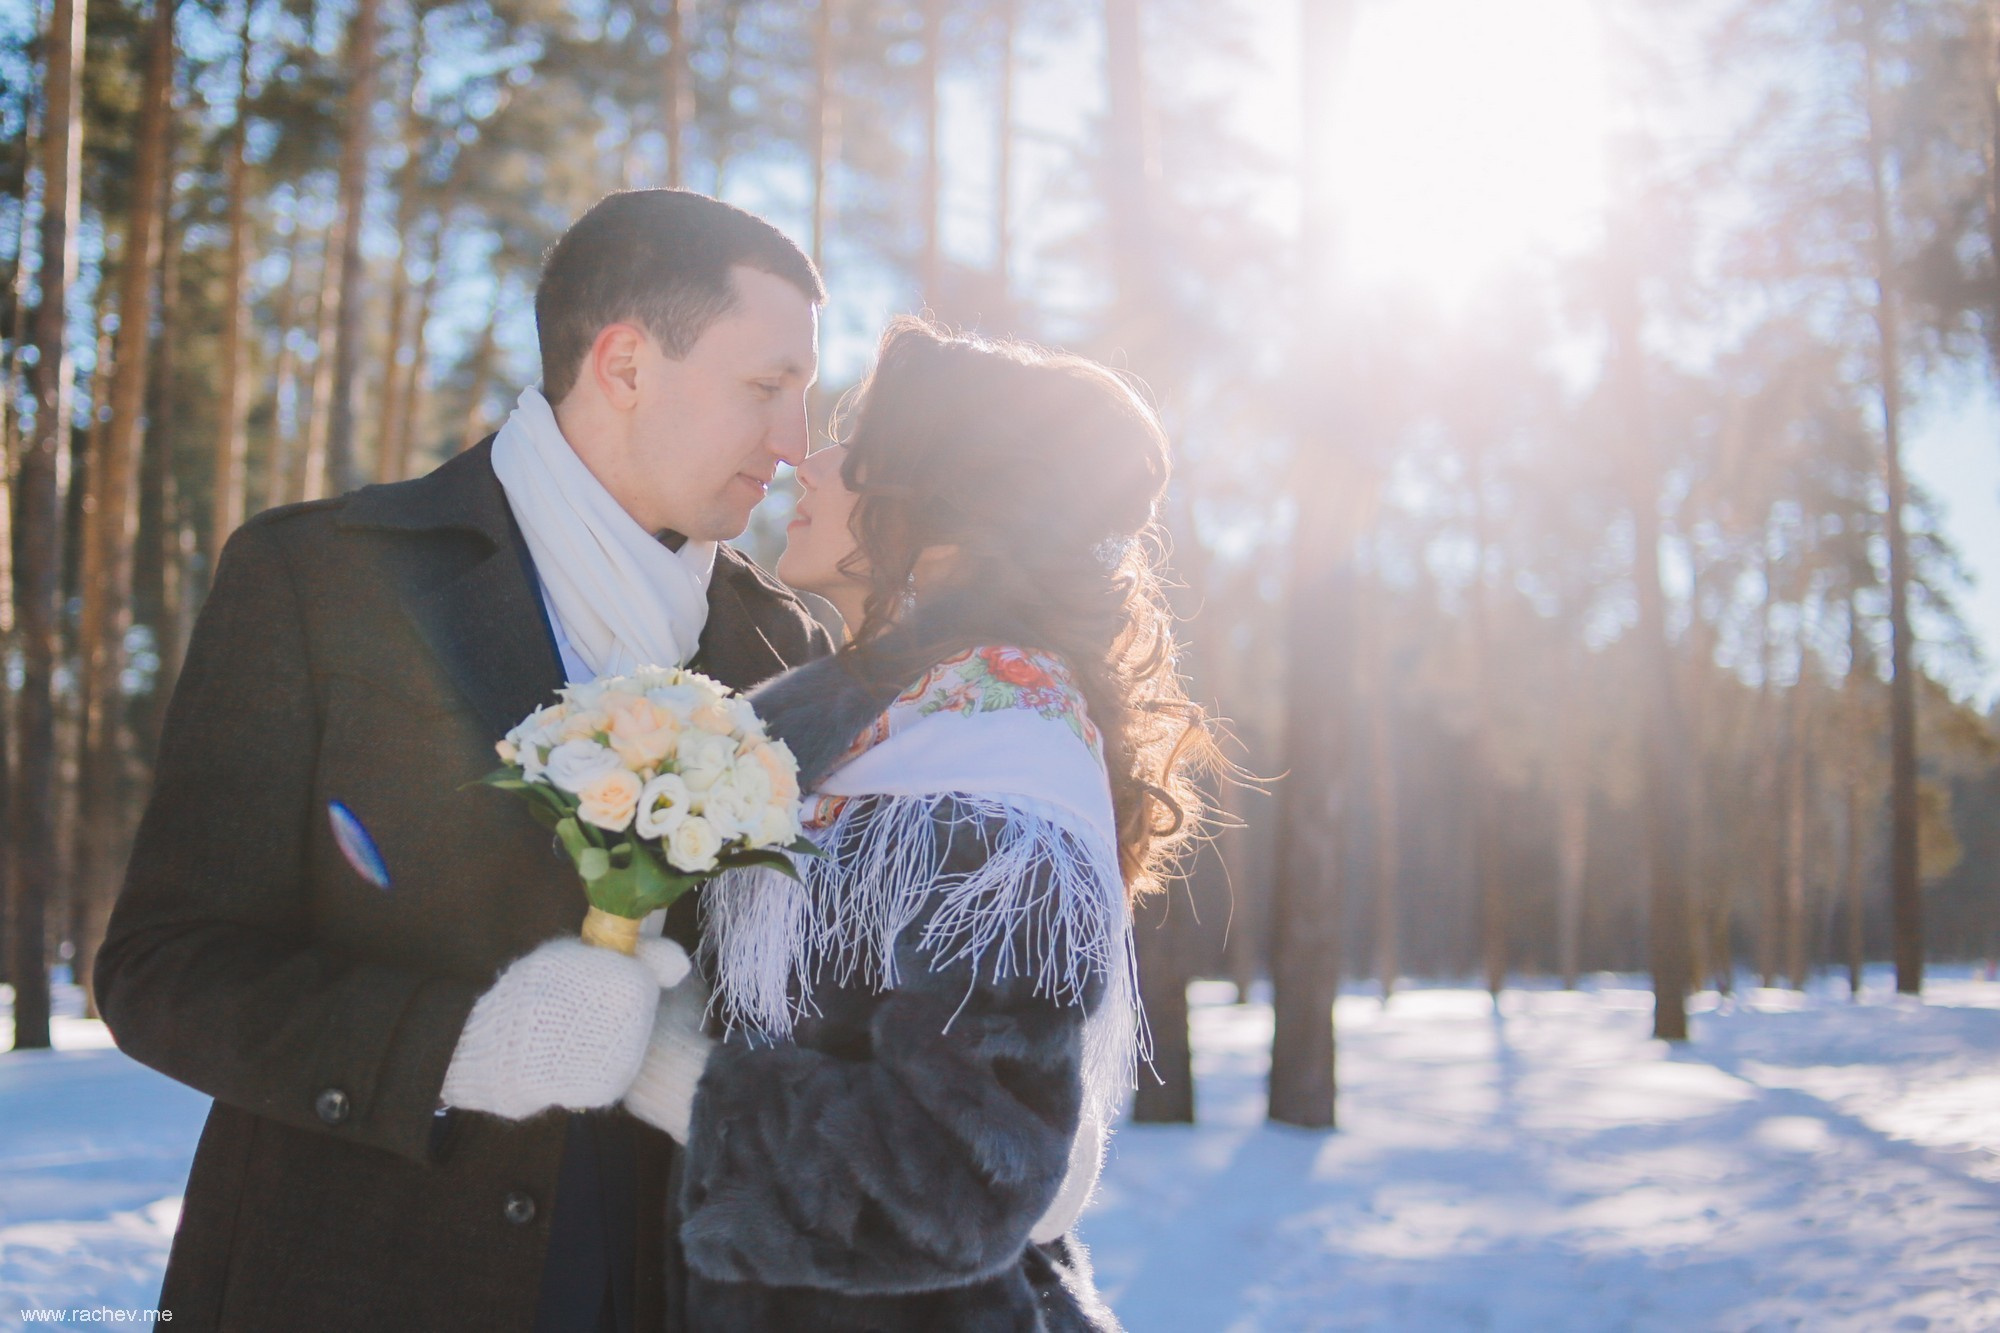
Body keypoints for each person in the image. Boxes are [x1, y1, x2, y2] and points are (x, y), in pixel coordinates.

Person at [94, 189, 834, 1332]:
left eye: (805, 396)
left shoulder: (784, 642)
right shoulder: (323, 577)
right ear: (626, 363)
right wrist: (459, 1049)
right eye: (765, 388)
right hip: (354, 1284)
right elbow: (163, 971)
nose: (795, 445)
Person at [614, 317, 1219, 1330]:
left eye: (856, 441)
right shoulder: (845, 721)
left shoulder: (993, 768)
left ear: (947, 506)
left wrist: (669, 1064)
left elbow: (956, 1176)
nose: (806, 461)